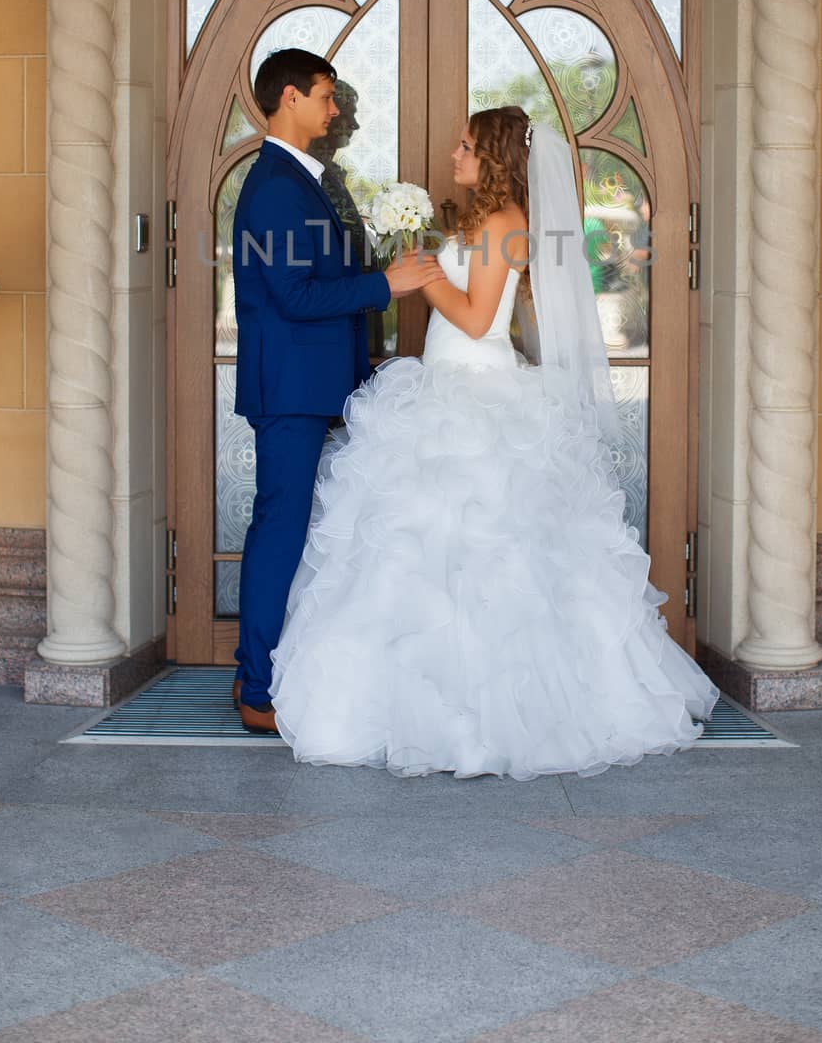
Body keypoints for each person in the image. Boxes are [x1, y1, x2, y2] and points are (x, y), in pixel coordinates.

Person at [270, 104, 719, 777]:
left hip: (478, 393)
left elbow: (479, 321)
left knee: (488, 560)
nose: (453, 155)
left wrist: (424, 279)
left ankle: (500, 720)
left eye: (464, 146)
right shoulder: (474, 220)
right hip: (441, 389)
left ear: (494, 159)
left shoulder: (507, 224)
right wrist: (426, 266)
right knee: (416, 557)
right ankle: (422, 713)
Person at [230, 49, 443, 733]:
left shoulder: (307, 181)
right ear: (288, 98)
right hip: (289, 389)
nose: (336, 109)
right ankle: (255, 689)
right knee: (280, 532)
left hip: (316, 383)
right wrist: (390, 285)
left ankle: (275, 673)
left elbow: (317, 277)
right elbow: (293, 294)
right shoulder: (273, 186)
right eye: (326, 96)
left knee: (300, 530)